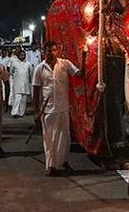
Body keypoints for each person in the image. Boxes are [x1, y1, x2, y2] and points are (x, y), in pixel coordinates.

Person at [33, 41, 85, 176]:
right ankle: (51, 165)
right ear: (44, 52)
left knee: (64, 137)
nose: (51, 53)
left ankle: (62, 161)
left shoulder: (65, 64)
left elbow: (79, 74)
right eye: (49, 51)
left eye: (54, 50)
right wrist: (36, 111)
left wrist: (84, 57)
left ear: (57, 51)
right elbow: (36, 90)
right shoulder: (40, 68)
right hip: (48, 109)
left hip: (63, 107)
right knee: (49, 138)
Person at [9, 50, 34, 117]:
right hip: (17, 84)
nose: (22, 56)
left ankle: (21, 113)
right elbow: (11, 72)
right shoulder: (14, 63)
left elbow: (31, 73)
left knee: (24, 100)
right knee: (17, 99)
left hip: (25, 84)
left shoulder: (28, 63)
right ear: (18, 56)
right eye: (21, 55)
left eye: (23, 55)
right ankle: (14, 113)